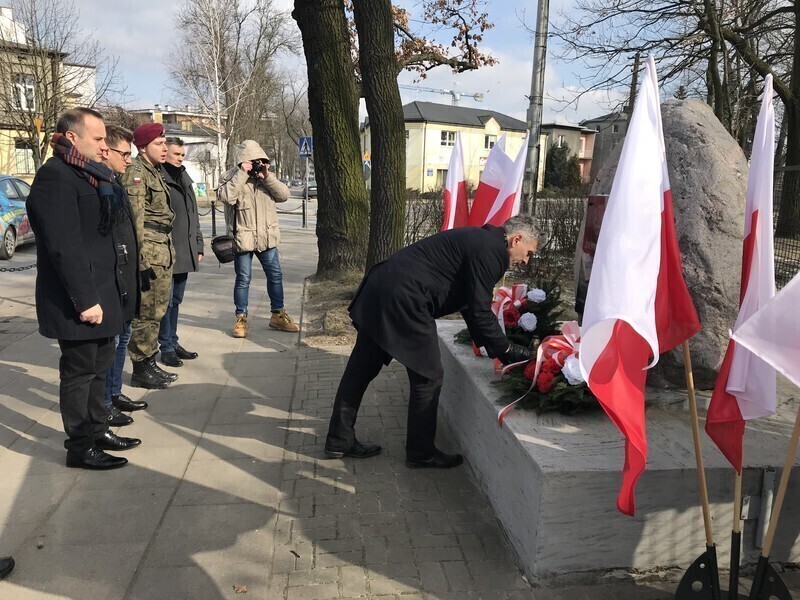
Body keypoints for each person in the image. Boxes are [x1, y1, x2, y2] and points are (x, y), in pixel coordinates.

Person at [324, 214, 539, 469]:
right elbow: (480, 310)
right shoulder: (493, 251)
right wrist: (505, 348)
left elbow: (470, 305)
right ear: (517, 239)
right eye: (528, 253)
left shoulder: (482, 240)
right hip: (406, 299)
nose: (525, 261)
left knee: (360, 370)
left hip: (382, 286)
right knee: (428, 377)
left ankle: (339, 439)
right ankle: (421, 452)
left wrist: (495, 347)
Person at [26, 107, 141, 470]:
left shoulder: (92, 175)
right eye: (98, 138)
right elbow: (65, 247)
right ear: (72, 137)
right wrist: (86, 300)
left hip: (107, 292)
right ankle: (80, 446)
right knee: (79, 373)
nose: (105, 145)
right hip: (79, 300)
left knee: (100, 368)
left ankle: (98, 428)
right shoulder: (55, 177)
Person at [218, 140, 299, 338]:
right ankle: (241, 319)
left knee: (276, 276)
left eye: (261, 160)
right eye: (253, 161)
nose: (257, 164)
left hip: (267, 238)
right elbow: (226, 197)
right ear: (243, 161)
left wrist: (267, 177)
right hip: (243, 239)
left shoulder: (266, 177)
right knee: (243, 279)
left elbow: (284, 195)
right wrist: (242, 173)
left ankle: (278, 315)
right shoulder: (230, 176)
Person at [120, 123, 177, 389]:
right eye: (158, 144)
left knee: (157, 310)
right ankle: (141, 367)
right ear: (143, 147)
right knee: (146, 312)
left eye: (165, 143)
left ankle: (150, 361)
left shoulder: (154, 171)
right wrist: (140, 260)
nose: (164, 148)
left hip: (161, 249)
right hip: (150, 254)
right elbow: (135, 221)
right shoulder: (136, 172)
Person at [101, 125, 148, 426]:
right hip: (110, 278)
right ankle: (105, 401)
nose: (128, 159)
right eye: (124, 154)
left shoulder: (114, 182)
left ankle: (114, 393)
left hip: (126, 273)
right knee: (113, 341)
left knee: (124, 337)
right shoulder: (100, 185)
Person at [157, 137, 204, 367]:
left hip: (185, 250)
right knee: (164, 303)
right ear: (165, 153)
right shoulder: (159, 178)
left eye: (182, 155)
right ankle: (165, 346)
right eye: (176, 154)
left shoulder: (183, 176)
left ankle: (173, 341)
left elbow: (193, 213)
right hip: (167, 251)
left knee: (175, 301)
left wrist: (199, 244)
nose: (180, 158)